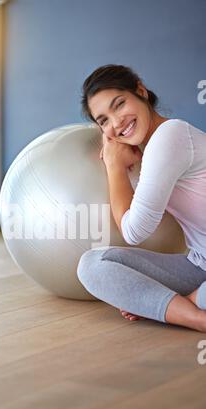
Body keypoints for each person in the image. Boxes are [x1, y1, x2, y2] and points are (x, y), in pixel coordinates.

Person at [77, 64, 206, 332]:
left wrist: (114, 167)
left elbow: (134, 231)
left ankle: (181, 308)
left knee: (199, 296)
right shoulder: (142, 155)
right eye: (104, 121)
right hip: (200, 264)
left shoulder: (172, 135)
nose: (117, 123)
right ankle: (194, 313)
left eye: (120, 104)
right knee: (93, 265)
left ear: (141, 91)